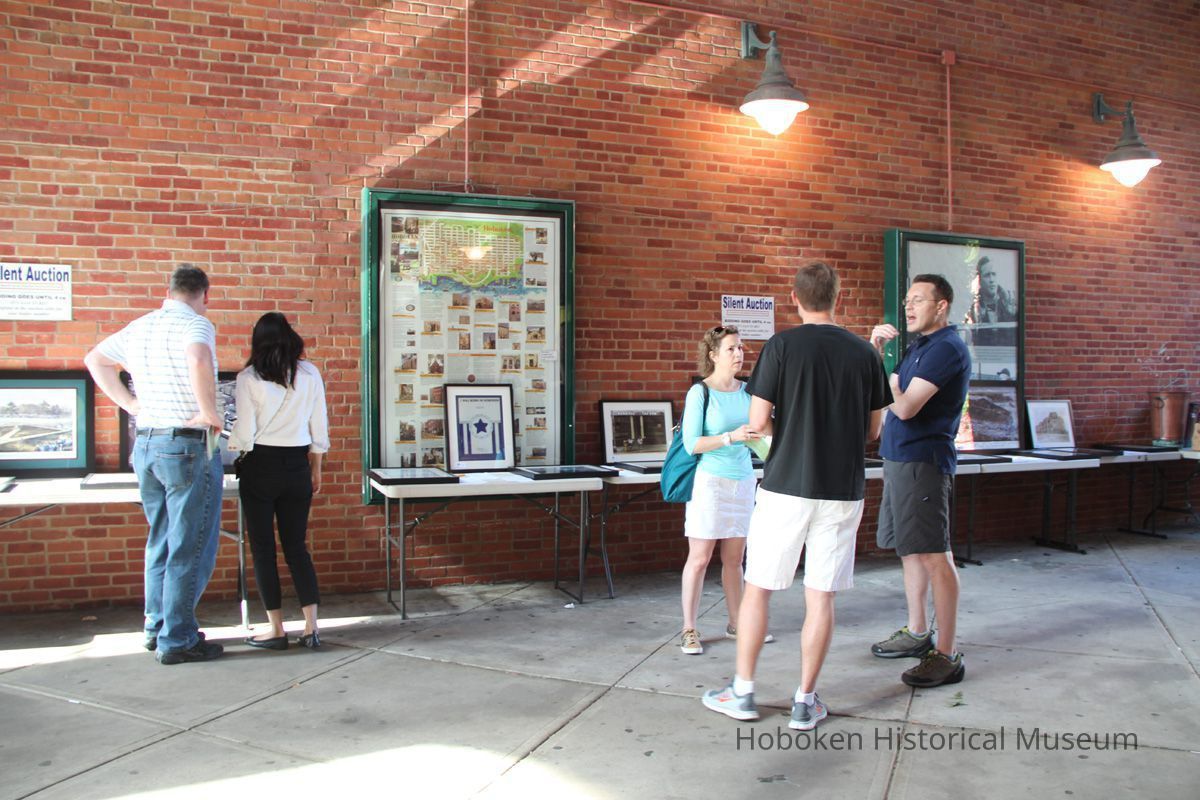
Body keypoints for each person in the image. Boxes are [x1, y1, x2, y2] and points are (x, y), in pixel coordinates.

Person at [702, 261, 890, 730]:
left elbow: (758, 422)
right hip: (843, 488)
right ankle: (805, 701)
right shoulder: (865, 354)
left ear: (795, 298)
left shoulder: (781, 346)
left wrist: (788, 422)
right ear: (838, 297)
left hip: (786, 484)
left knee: (759, 589)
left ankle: (743, 693)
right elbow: (873, 431)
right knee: (821, 596)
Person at [84, 265, 225, 665]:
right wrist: (208, 411)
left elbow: (95, 359)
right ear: (205, 295)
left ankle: (156, 626)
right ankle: (178, 638)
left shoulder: (140, 327)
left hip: (146, 443)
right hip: (186, 445)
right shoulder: (196, 324)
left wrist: (130, 404)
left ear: (169, 291)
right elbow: (198, 357)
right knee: (190, 545)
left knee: (161, 539)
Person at [869, 273, 972, 688]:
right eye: (907, 299)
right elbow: (888, 396)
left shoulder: (946, 348)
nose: (908, 306)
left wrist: (891, 382)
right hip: (899, 458)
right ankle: (917, 632)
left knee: (934, 554)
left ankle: (946, 654)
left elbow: (905, 406)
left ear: (941, 306)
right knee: (910, 550)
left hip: (923, 462)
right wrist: (878, 357)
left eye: (918, 299)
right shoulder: (919, 346)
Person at [229, 313, 330, 651]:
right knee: (297, 548)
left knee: (263, 550)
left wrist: (233, 444)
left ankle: (276, 628)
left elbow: (245, 431)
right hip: (298, 465)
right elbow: (319, 425)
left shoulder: (248, 378)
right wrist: (316, 468)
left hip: (260, 466)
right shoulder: (310, 373)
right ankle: (311, 627)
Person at [678, 325, 767, 655]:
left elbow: (761, 434)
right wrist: (731, 437)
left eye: (741, 348)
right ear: (714, 355)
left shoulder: (749, 392)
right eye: (731, 348)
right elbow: (691, 444)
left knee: (735, 559)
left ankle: (737, 624)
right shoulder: (700, 393)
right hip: (710, 482)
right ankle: (689, 629)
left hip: (742, 481)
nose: (739, 354)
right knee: (700, 558)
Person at [962, 256, 1016, 347]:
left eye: (994, 274)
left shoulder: (1010, 305)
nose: (992, 280)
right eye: (987, 275)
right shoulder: (973, 310)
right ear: (979, 280)